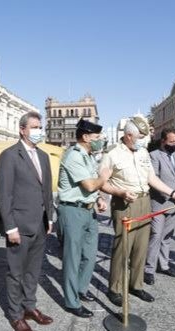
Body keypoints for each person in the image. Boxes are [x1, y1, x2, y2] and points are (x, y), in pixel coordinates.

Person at [100, 117, 175, 307]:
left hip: (144, 201)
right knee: (123, 246)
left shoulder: (143, 153)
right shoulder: (112, 154)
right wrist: (117, 192)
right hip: (124, 202)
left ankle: (136, 285)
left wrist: (173, 192)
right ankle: (115, 288)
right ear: (128, 135)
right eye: (140, 136)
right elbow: (102, 182)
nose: (143, 140)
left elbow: (151, 178)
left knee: (141, 246)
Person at [0, 111, 54, 331]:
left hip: (40, 224)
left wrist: (49, 217)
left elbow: (46, 190)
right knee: (15, 273)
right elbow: (5, 195)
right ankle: (16, 315)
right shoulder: (9, 156)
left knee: (33, 271)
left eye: (41, 127)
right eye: (34, 127)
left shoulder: (43, 156)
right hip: (19, 226)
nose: (39, 131)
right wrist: (10, 227)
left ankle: (30, 307)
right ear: (22, 129)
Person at [57, 120, 111, 318]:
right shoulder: (73, 156)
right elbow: (89, 185)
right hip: (72, 211)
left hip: (88, 211)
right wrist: (105, 176)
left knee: (89, 255)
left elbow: (92, 190)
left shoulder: (88, 156)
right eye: (97, 138)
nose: (100, 141)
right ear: (86, 137)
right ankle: (72, 302)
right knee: (72, 258)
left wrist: (100, 198)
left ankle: (80, 289)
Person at [144, 128, 175, 286]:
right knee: (155, 235)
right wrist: (171, 193)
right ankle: (149, 269)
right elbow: (153, 180)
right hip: (158, 203)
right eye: (171, 142)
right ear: (163, 141)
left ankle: (164, 265)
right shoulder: (154, 156)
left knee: (167, 236)